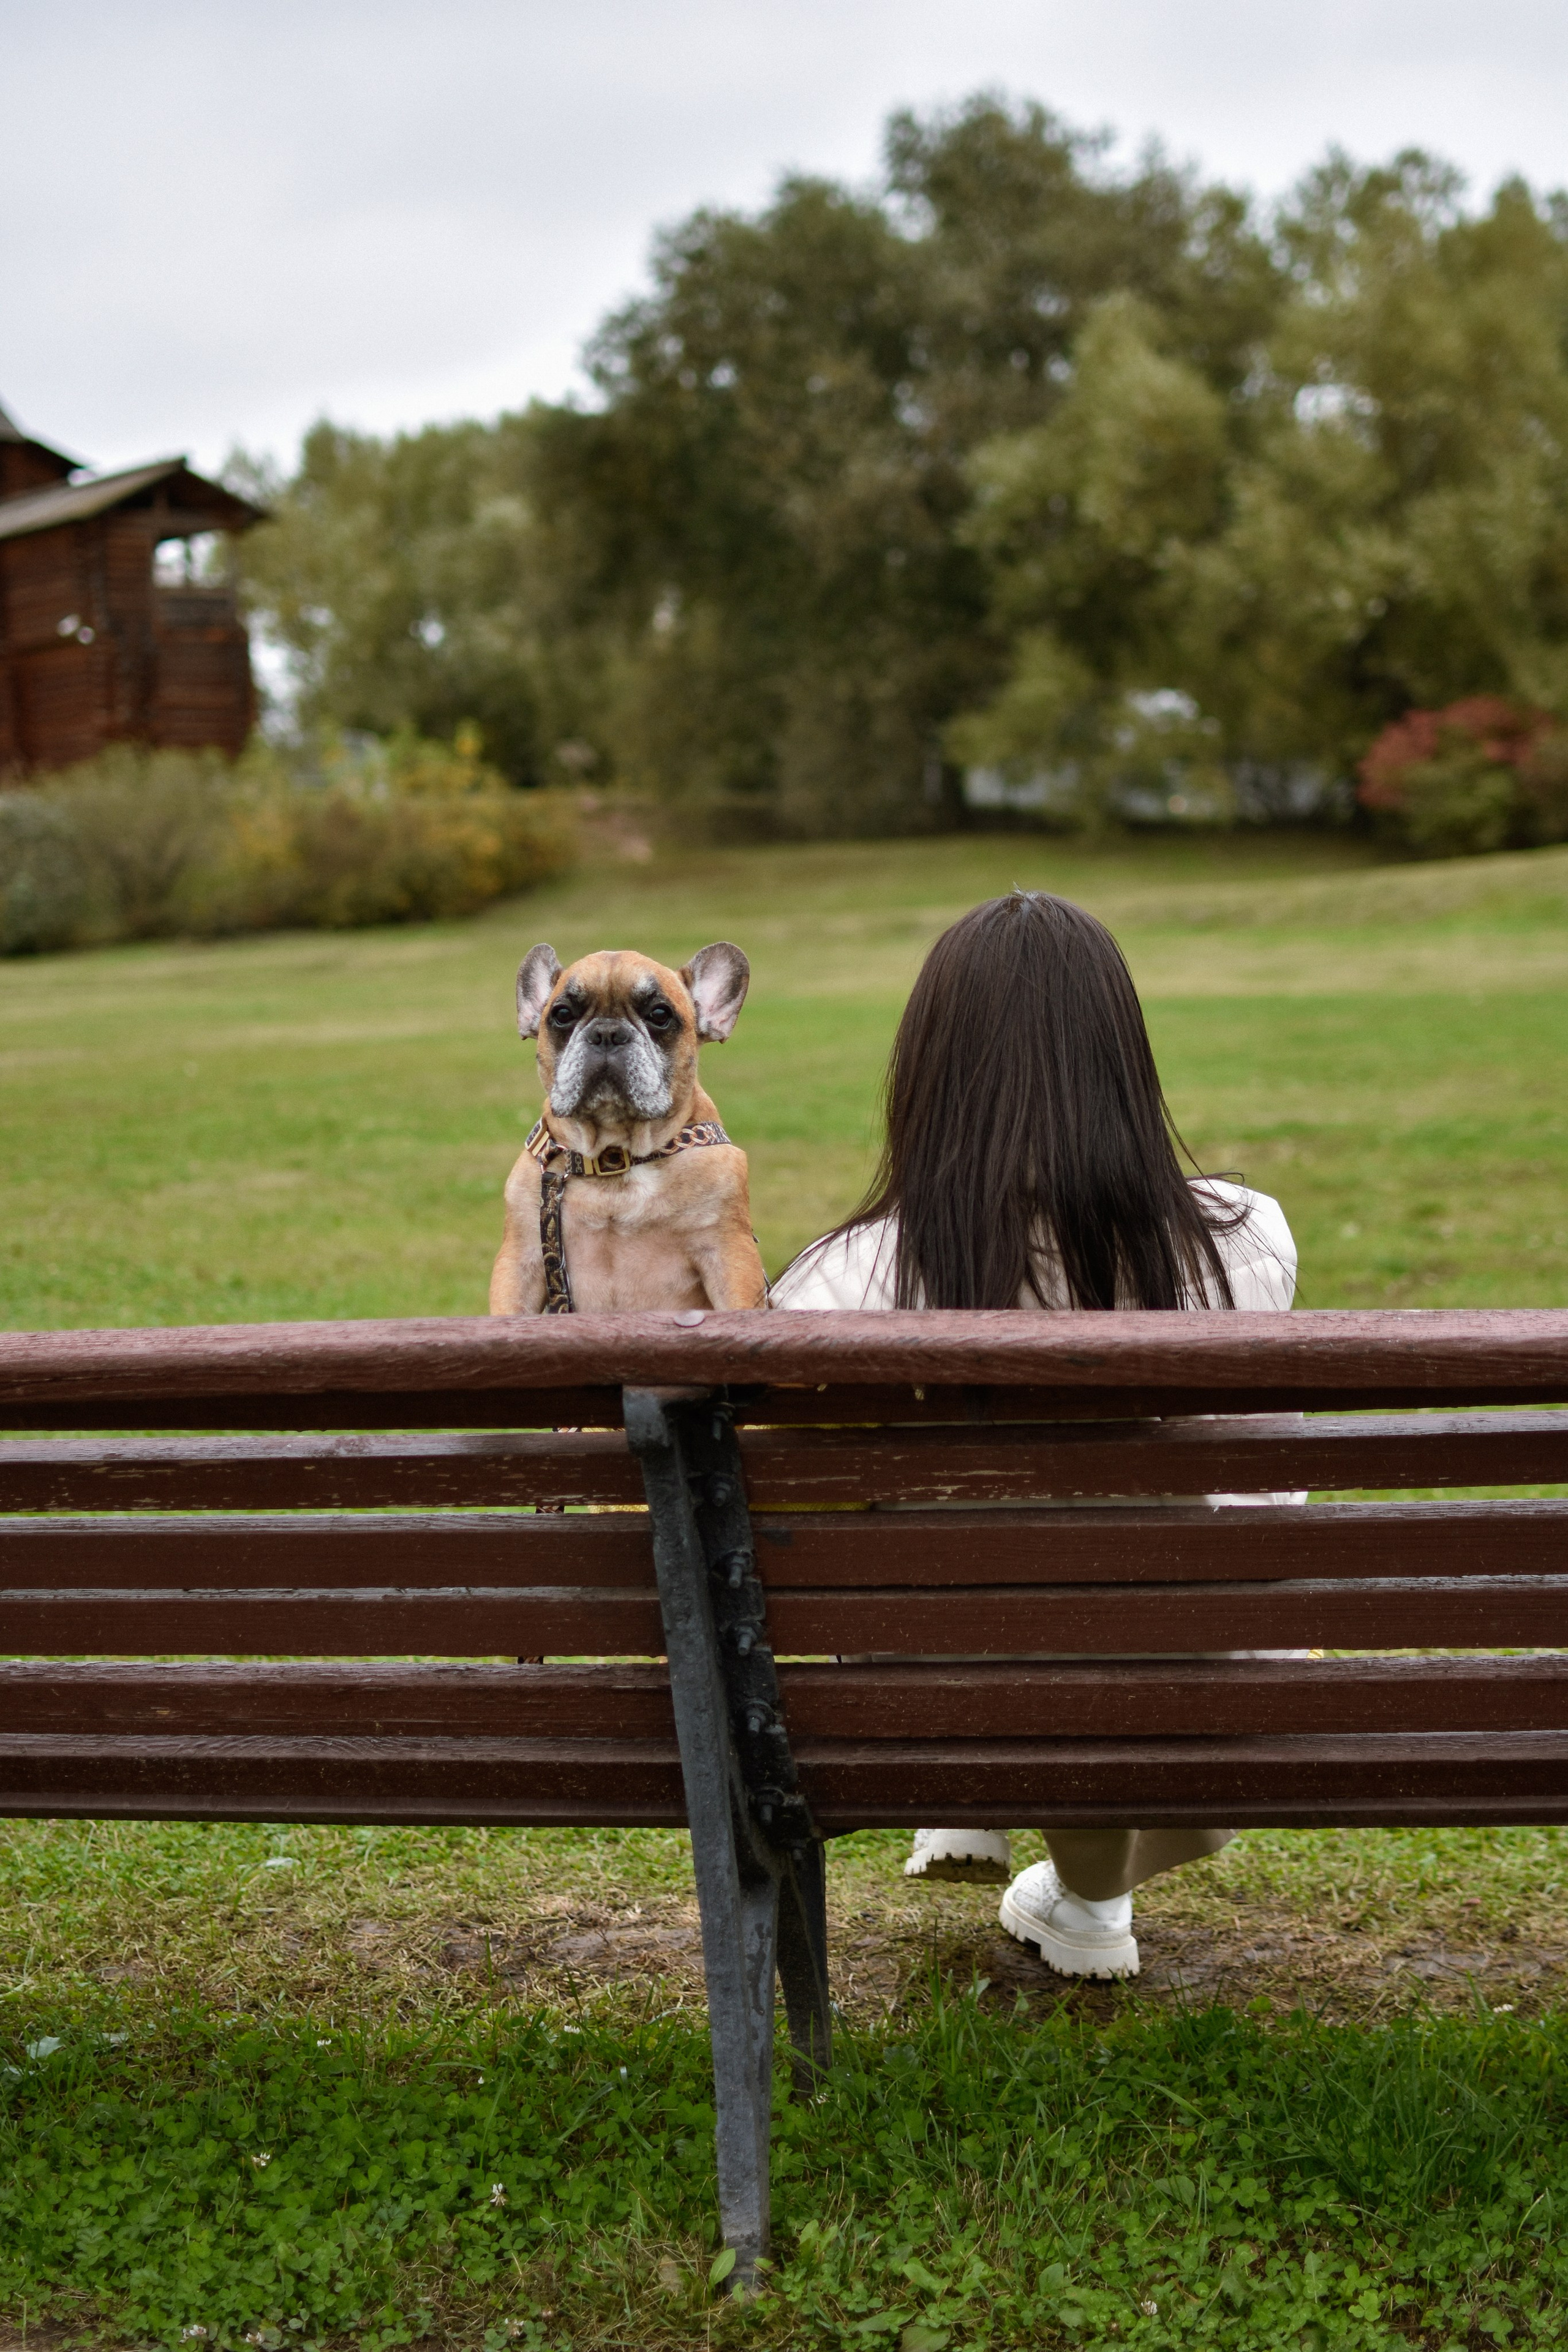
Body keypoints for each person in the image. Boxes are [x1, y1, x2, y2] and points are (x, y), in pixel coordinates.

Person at [771, 889, 1299, 1980]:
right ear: (1123, 1061)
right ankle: (1087, 1899)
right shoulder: (1245, 1243)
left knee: (979, 1590)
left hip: (930, 1695)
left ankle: (974, 1803)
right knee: (1120, 1613)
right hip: (1185, 1693)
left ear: (928, 1076)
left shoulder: (846, 1277)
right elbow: (1260, 1500)